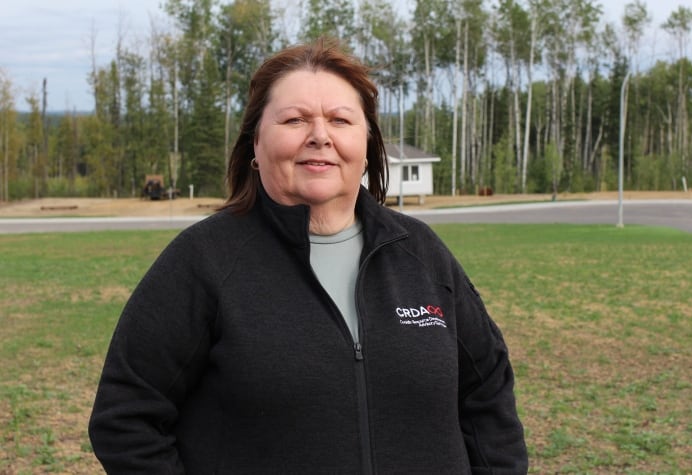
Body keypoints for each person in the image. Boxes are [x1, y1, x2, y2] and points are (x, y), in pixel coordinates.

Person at [89, 37, 528, 474]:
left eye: (341, 120)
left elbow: (486, 392)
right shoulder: (203, 261)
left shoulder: (422, 254)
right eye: (295, 120)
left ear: (367, 145)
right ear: (255, 145)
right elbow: (126, 418)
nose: (320, 136)